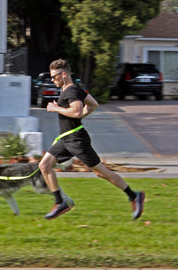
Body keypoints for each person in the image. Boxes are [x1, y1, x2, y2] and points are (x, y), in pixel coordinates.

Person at [38, 59, 145, 220]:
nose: (52, 80)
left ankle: (134, 196)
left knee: (102, 173)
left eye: (54, 77)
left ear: (64, 74)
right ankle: (60, 203)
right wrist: (72, 122)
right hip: (66, 139)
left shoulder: (71, 91)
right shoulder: (74, 89)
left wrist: (56, 108)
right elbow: (93, 104)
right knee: (44, 165)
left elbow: (77, 112)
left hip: (76, 140)